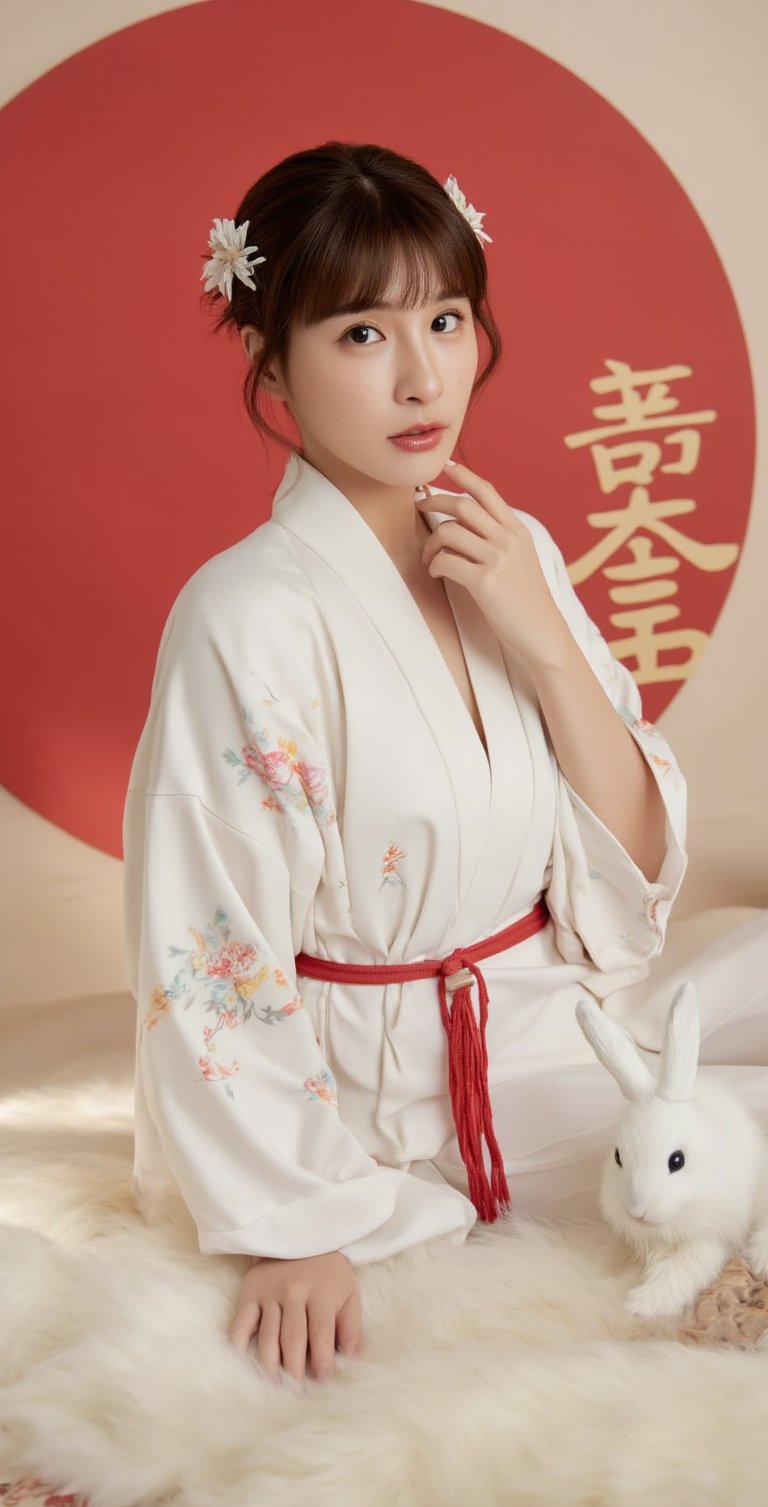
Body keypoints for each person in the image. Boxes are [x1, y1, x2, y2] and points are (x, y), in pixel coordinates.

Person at [122, 140, 768, 1388]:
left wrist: (543, 637)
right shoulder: (245, 617)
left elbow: (630, 879)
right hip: (379, 1089)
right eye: (362, 334)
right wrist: (292, 1222)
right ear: (276, 364)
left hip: (544, 1014)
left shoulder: (502, 541)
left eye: (447, 319)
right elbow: (205, 951)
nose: (423, 375)